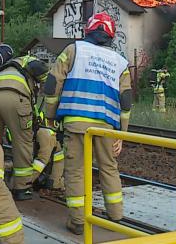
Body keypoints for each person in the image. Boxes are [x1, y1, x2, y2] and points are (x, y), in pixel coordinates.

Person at [42, 12, 133, 235]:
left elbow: (53, 83)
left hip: (76, 123)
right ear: (110, 37)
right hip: (106, 126)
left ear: (88, 32)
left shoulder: (74, 50)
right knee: (109, 169)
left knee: (75, 172)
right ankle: (116, 215)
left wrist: (50, 115)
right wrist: (122, 134)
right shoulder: (120, 62)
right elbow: (126, 101)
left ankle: (78, 221)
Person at [0, 54, 49, 201]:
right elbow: (41, 69)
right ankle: (22, 188)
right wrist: (48, 82)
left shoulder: (5, 68)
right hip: (15, 96)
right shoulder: (28, 59)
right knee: (23, 143)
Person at [31, 110, 65, 193]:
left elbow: (40, 163)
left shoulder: (44, 135)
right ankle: (53, 184)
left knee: (41, 163)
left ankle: (27, 182)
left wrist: (24, 183)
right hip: (50, 140)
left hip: (46, 136)